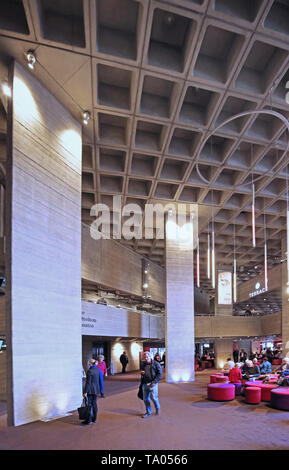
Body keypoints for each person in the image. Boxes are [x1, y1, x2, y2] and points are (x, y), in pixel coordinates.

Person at [140, 351, 162, 418]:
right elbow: (143, 372)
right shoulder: (143, 364)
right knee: (145, 399)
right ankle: (148, 412)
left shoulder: (156, 364)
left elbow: (159, 374)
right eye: (145, 357)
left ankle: (157, 408)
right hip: (145, 383)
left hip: (153, 383)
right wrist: (142, 373)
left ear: (150, 357)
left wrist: (155, 382)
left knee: (154, 398)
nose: (146, 358)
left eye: (147, 357)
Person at [82, 358, 103, 425]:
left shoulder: (89, 371)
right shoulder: (98, 370)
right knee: (94, 404)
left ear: (91, 364)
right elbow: (100, 381)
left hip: (90, 390)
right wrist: (100, 390)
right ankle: (95, 418)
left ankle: (89, 420)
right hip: (96, 390)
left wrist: (85, 392)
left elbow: (88, 383)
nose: (88, 365)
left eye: (89, 364)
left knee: (89, 405)